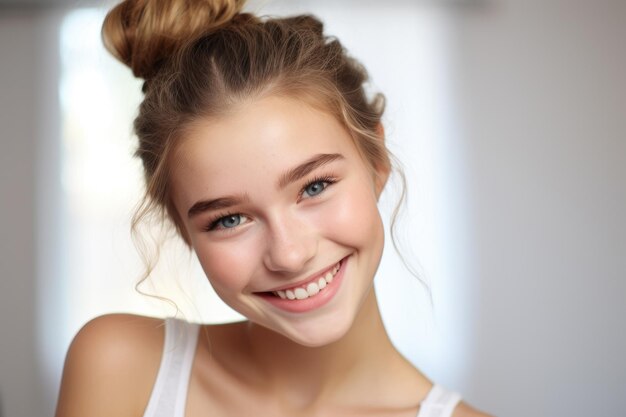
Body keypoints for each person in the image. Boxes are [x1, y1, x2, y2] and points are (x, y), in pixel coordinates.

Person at [55, 1, 492, 416]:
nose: (289, 254)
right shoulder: (119, 367)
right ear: (180, 225)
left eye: (315, 186)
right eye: (229, 219)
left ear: (376, 161)